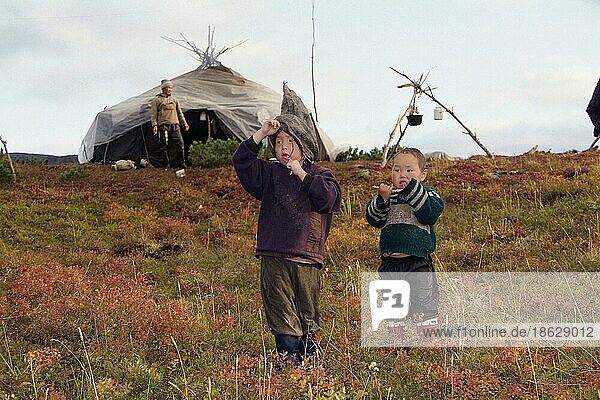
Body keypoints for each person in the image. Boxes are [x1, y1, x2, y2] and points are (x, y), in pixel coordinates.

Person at [232, 116, 341, 365]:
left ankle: (310, 367)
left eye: (290, 141)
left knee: (307, 315)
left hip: (306, 257)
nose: (283, 147)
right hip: (273, 255)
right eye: (279, 141)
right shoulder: (270, 173)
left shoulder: (320, 174)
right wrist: (261, 134)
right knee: (281, 312)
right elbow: (242, 161)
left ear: (303, 144)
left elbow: (328, 199)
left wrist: (301, 173)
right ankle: (288, 366)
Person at [365, 148, 445, 344]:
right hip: (390, 262)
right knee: (392, 305)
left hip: (418, 260)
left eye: (409, 171)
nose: (402, 175)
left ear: (422, 175)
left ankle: (428, 342)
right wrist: (382, 200)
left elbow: (429, 213)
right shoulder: (388, 197)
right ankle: (397, 343)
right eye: (397, 170)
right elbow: (373, 219)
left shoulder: (428, 195)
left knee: (424, 302)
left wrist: (411, 190)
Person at [150, 79, 189, 168]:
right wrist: (154, 125)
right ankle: (166, 164)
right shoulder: (157, 100)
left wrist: (184, 123)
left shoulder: (174, 100)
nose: (170, 90)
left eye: (171, 88)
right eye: (168, 88)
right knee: (164, 144)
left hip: (175, 125)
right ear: (163, 88)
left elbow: (180, 113)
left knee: (180, 143)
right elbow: (153, 114)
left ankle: (182, 163)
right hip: (163, 125)